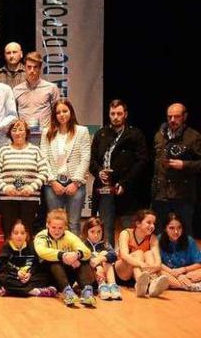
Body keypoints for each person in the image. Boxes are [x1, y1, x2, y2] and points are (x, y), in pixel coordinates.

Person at [90, 99, 149, 245]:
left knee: (130, 228)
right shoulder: (101, 134)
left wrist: (125, 183)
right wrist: (98, 172)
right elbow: (91, 160)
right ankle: (109, 258)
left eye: (119, 113)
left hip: (126, 188)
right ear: (109, 115)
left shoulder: (135, 134)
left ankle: (132, 257)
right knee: (105, 227)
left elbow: (142, 161)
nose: (115, 116)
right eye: (112, 113)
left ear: (125, 114)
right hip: (104, 189)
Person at [40, 98, 91, 234]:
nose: (62, 115)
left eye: (65, 111)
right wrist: (52, 181)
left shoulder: (82, 131)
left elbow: (85, 158)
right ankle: (55, 253)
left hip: (75, 183)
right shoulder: (47, 132)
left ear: (71, 112)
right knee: (54, 223)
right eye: (58, 112)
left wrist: (75, 182)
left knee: (73, 222)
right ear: (54, 115)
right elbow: (43, 158)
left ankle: (75, 254)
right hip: (53, 184)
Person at [152, 103, 201, 237]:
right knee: (159, 234)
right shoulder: (159, 135)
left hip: (183, 195)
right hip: (161, 194)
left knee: (184, 234)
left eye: (177, 116)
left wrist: (184, 165)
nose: (172, 120)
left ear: (185, 117)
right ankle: (160, 258)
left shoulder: (193, 136)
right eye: (170, 117)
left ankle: (187, 258)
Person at [0, 119, 50, 239]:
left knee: (27, 232)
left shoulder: (35, 150)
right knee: (9, 233)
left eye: (21, 129)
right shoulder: (3, 151)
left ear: (27, 132)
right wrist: (5, 187)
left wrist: (32, 187)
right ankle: (9, 257)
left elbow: (44, 172)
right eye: (14, 130)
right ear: (10, 133)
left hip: (30, 199)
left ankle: (27, 257)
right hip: (7, 198)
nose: (18, 133)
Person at [33, 208, 96, 307]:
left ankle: (87, 292)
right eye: (53, 227)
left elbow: (87, 251)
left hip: (65, 276)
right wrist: (64, 255)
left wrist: (76, 255)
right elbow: (41, 251)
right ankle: (67, 293)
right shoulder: (41, 236)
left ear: (65, 227)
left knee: (81, 260)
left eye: (60, 228)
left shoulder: (69, 236)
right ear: (47, 225)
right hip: (46, 274)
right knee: (54, 261)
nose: (57, 231)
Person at [0, 219, 56, 298]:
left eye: (22, 233)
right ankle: (33, 291)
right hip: (13, 277)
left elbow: (36, 265)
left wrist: (30, 274)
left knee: (46, 276)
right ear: (10, 235)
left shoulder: (31, 246)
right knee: (1, 278)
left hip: (28, 279)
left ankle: (11, 290)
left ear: (26, 234)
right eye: (16, 233)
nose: (19, 236)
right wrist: (17, 273)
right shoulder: (6, 247)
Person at [114, 209, 169, 298]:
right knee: (139, 253)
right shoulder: (126, 233)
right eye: (149, 222)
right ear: (138, 223)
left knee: (149, 254)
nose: (152, 226)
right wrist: (142, 264)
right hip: (122, 272)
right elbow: (124, 255)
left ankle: (150, 284)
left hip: (143, 273)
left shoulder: (153, 238)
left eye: (154, 223)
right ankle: (144, 282)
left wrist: (151, 267)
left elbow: (158, 263)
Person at [13, 51, 60, 145]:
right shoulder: (16, 90)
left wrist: (53, 131)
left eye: (35, 67)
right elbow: (14, 115)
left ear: (40, 68)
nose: (32, 70)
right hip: (24, 137)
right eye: (29, 67)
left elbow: (57, 113)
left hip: (46, 136)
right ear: (24, 68)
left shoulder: (51, 88)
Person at [158, 212, 201, 291]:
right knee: (158, 272)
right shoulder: (158, 239)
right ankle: (191, 286)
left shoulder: (189, 240)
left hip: (187, 273)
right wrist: (177, 275)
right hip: (168, 272)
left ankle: (179, 284)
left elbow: (199, 263)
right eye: (171, 228)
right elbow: (157, 262)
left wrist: (182, 270)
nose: (176, 232)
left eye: (179, 228)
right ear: (165, 228)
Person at [81, 217, 120, 300]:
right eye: (92, 232)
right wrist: (97, 267)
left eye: (99, 232)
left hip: (105, 276)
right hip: (90, 278)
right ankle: (102, 286)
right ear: (86, 231)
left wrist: (100, 259)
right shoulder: (82, 244)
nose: (96, 235)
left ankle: (112, 286)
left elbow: (114, 255)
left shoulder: (105, 244)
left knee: (105, 254)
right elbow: (84, 259)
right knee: (98, 255)